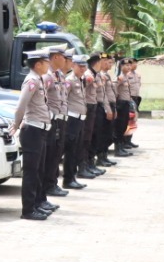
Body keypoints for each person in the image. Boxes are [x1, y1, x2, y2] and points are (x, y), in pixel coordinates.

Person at [11, 49, 55, 221]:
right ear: (38, 64)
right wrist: (16, 124)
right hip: (32, 131)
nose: (48, 65)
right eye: (46, 62)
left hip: (40, 130)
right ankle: (28, 210)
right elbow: (21, 105)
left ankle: (36, 204)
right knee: (31, 172)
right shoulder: (32, 81)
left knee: (38, 170)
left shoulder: (39, 79)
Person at [43, 46, 72, 198]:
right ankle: (48, 185)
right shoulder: (47, 76)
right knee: (50, 154)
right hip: (51, 120)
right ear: (55, 57)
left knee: (57, 153)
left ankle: (52, 183)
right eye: (63, 57)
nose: (65, 60)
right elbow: (42, 98)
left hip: (60, 119)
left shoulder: (59, 75)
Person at [67, 55, 100, 181]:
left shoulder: (80, 80)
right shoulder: (70, 80)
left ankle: (76, 173)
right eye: (79, 66)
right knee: (71, 149)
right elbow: (63, 100)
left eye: (84, 66)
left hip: (81, 117)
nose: (82, 68)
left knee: (80, 145)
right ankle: (70, 177)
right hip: (72, 118)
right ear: (73, 66)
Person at [85, 54, 116, 169]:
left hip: (99, 107)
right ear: (98, 62)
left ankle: (94, 161)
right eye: (104, 60)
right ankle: (89, 163)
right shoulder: (89, 75)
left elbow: (103, 95)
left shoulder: (98, 75)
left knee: (99, 135)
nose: (107, 63)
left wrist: (108, 108)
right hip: (92, 107)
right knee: (91, 136)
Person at [91, 53, 119, 165]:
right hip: (99, 106)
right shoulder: (96, 75)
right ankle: (99, 157)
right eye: (105, 60)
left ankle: (103, 156)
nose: (108, 63)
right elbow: (102, 95)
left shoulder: (103, 75)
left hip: (108, 105)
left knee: (107, 134)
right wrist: (108, 109)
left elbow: (107, 94)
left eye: (109, 61)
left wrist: (112, 108)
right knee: (101, 134)